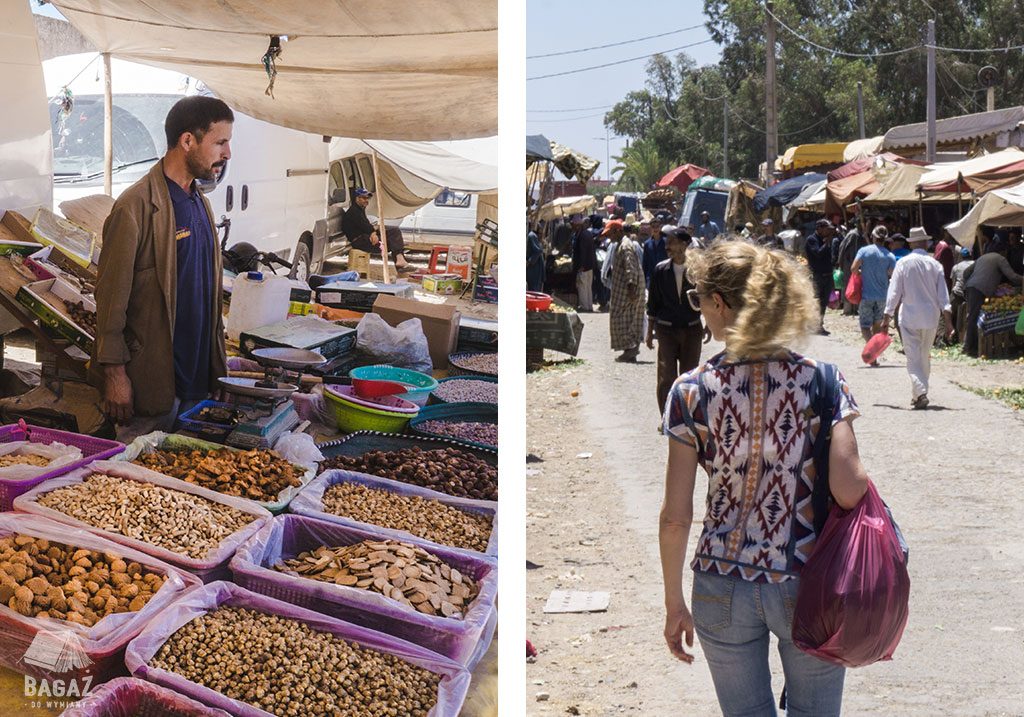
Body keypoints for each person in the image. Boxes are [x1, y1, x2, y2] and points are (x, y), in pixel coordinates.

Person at [660, 241, 868, 717]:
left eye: (699, 298)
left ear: (719, 303)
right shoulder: (824, 381)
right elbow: (850, 488)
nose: (700, 310)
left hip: (720, 582)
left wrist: (674, 603)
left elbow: (675, 516)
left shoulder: (690, 390)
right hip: (808, 579)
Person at [93, 96, 231, 440]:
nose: (227, 153)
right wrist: (114, 374)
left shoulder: (200, 202)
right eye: (220, 143)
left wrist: (217, 367)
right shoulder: (135, 207)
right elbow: (110, 300)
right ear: (188, 141)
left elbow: (208, 293)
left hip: (196, 386)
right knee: (133, 471)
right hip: (151, 388)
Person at [881, 227, 954, 409]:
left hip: (909, 317)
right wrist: (949, 323)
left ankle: (921, 392)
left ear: (911, 243)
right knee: (924, 356)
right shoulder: (935, 265)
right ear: (925, 243)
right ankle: (918, 396)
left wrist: (887, 316)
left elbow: (894, 292)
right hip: (931, 318)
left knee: (913, 358)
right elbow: (944, 296)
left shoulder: (903, 263)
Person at [646, 227, 705, 412]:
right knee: (666, 377)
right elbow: (653, 302)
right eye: (666, 242)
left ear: (684, 245)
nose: (667, 246)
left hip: (692, 329)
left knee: (689, 377)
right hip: (666, 330)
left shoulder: (697, 270)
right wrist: (649, 332)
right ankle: (666, 417)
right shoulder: (660, 270)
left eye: (671, 242)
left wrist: (709, 325)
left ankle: (687, 416)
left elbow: (705, 298)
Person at [963, 237, 1024, 357]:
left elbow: (966, 273)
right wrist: (1022, 279)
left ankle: (971, 346)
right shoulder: (1000, 258)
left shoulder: (983, 257)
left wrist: (969, 283)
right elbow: (1012, 276)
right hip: (979, 289)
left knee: (972, 316)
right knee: (973, 317)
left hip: (971, 287)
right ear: (1003, 251)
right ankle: (969, 347)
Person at [342, 188, 415, 274]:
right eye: (364, 198)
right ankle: (400, 263)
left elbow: (365, 226)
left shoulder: (359, 210)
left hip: (365, 238)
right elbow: (365, 226)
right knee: (393, 242)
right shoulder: (354, 211)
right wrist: (373, 233)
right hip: (360, 242)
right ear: (357, 198)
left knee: (394, 231)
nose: (366, 201)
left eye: (367, 198)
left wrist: (375, 232)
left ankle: (400, 261)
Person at [850, 225, 897, 350]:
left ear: (873, 236)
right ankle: (874, 352)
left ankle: (871, 350)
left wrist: (862, 273)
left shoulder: (864, 251)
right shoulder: (890, 256)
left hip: (867, 296)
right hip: (882, 297)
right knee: (877, 326)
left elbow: (853, 269)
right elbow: (892, 274)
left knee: (865, 326)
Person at [605, 219, 645, 362]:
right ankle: (629, 350)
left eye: (610, 234)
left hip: (628, 290)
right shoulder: (620, 245)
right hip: (623, 290)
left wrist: (631, 288)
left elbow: (630, 267)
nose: (609, 237)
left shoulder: (626, 246)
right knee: (625, 319)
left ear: (618, 231)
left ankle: (631, 349)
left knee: (627, 319)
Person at [804, 218, 836, 335]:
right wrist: (827, 243)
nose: (828, 231)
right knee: (816, 301)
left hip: (828, 275)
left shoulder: (825, 240)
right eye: (826, 229)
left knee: (824, 302)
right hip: (818, 275)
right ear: (819, 228)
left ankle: (819, 324)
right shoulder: (812, 240)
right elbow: (818, 254)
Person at [836, 220, 869, 315]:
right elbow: (847, 249)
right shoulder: (854, 235)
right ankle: (848, 309)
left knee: (856, 284)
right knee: (849, 284)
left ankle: (854, 307)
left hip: (854, 263)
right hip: (850, 263)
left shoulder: (861, 235)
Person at [570, 214, 596, 311]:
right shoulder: (587, 233)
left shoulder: (582, 235)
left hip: (584, 266)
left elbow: (583, 251)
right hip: (589, 265)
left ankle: (585, 306)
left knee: (582, 286)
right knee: (588, 287)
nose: (572, 227)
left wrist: (581, 266)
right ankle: (589, 306)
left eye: (573, 225)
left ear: (577, 225)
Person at [949, 247, 973, 342]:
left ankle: (950, 337)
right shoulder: (975, 264)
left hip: (957, 293)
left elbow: (953, 283)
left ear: (961, 256)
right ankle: (963, 338)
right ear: (971, 255)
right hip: (969, 294)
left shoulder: (956, 267)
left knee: (949, 313)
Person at [642, 217, 668, 287]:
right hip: (651, 278)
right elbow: (645, 263)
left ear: (660, 227)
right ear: (650, 228)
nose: (655, 229)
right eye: (653, 227)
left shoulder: (666, 242)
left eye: (657, 226)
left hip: (664, 277)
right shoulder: (647, 244)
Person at [527, 224, 545, 292]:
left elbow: (538, 251)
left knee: (533, 289)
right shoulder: (532, 235)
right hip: (534, 267)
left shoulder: (531, 235)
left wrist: (529, 262)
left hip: (534, 268)